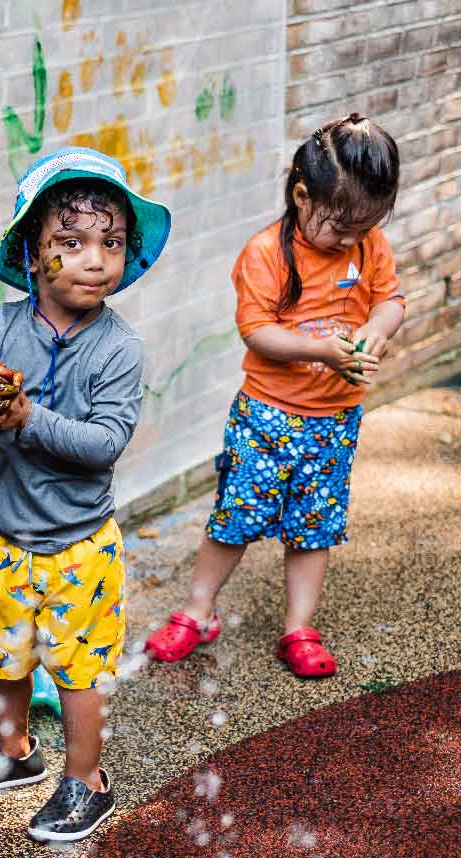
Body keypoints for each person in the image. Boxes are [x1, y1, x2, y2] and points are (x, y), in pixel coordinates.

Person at [0, 148, 170, 842]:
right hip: (2, 535)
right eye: (71, 242)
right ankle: (13, 756)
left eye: (111, 243)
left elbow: (103, 444)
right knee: (0, 655)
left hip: (78, 546)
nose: (95, 259)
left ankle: (85, 782)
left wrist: (27, 419)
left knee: (77, 670)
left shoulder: (118, 348)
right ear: (33, 255)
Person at [144, 113, 403, 679]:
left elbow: (391, 300)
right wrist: (326, 351)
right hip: (266, 415)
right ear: (302, 195)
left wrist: (377, 330)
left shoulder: (369, 245)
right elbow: (256, 331)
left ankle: (299, 627)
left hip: (333, 420)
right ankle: (197, 610)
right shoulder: (266, 253)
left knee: (315, 527)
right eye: (339, 227)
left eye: (365, 227)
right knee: (233, 518)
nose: (352, 240)